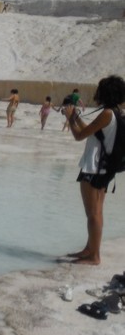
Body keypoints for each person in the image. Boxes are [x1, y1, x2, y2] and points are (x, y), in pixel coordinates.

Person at [62, 75, 125, 265]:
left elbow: (80, 135)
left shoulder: (107, 113)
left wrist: (69, 119)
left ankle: (94, 256)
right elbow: (93, 132)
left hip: (94, 168)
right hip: (104, 168)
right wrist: (75, 117)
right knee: (97, 211)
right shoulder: (116, 113)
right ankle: (90, 249)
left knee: (93, 214)